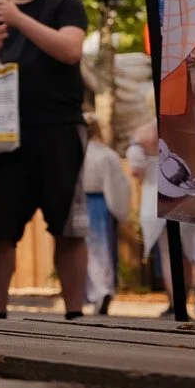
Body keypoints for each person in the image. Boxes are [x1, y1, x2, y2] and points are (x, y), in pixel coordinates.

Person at [0, 0, 90, 320]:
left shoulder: (64, 3)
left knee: (68, 225)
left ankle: (75, 314)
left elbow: (71, 50)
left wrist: (19, 20)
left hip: (58, 127)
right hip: (3, 133)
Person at [127, 117, 195, 316]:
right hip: (186, 197)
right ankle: (193, 288)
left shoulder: (143, 133)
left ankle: (177, 303)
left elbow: (136, 171)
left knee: (168, 254)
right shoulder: (187, 131)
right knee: (188, 253)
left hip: (156, 197)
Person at [79, 116, 133, 314]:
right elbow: (116, 185)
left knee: (88, 249)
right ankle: (103, 290)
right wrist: (120, 210)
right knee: (102, 250)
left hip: (83, 202)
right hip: (101, 204)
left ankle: (97, 292)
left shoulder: (77, 153)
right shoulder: (106, 155)